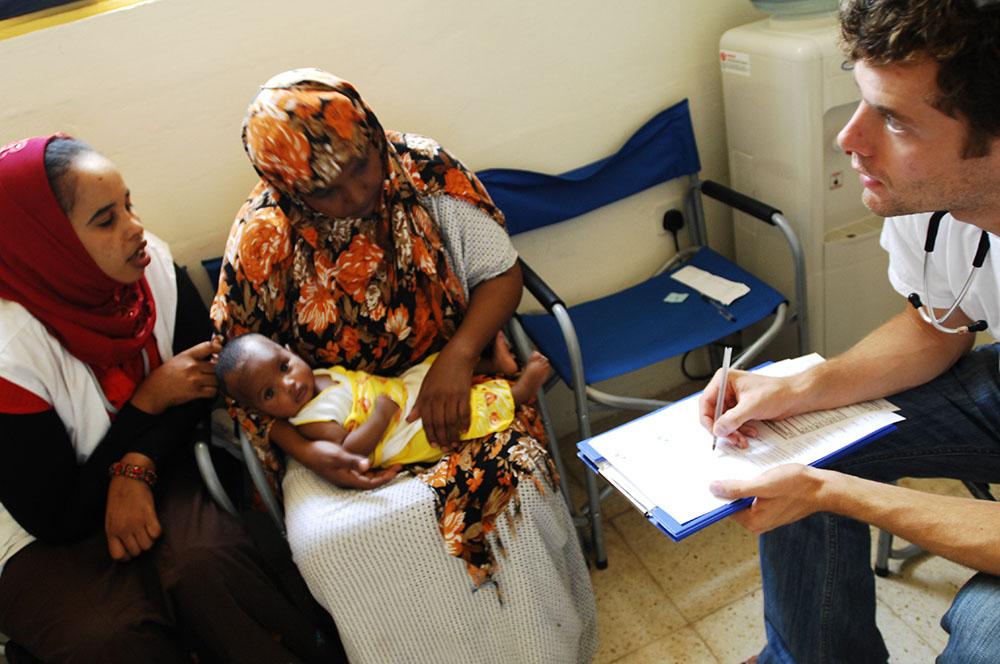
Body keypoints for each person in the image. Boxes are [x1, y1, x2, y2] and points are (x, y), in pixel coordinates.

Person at [210, 69, 595, 662]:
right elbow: (244, 385)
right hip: (332, 424)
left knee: (510, 484)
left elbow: (501, 274)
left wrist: (460, 355)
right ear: (288, 190)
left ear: (368, 128)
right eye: (325, 191)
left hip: (455, 380)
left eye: (361, 165)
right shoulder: (263, 240)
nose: (356, 194)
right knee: (332, 541)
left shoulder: (426, 173)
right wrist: (310, 450)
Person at [697, 1, 1000, 662]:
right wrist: (801, 390)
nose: (850, 139)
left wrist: (831, 492)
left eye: (892, 118)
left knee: (982, 636)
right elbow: (936, 327)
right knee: (798, 445)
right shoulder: (933, 199)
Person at [0, 135, 347, 663]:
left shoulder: (150, 268)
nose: (135, 228)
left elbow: (198, 387)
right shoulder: (10, 353)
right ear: (46, 246)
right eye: (105, 220)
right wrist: (145, 403)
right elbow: (53, 517)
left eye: (129, 205)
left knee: (212, 565)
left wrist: (136, 465)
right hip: (37, 532)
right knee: (105, 638)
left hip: (157, 464)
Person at [216, 332, 551, 468]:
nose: (289, 383)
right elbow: (350, 449)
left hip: (400, 392)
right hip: (401, 433)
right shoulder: (311, 421)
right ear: (260, 410)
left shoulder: (319, 375)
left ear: (289, 351)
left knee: (433, 367)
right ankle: (519, 392)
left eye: (284, 367)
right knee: (465, 412)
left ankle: (494, 364)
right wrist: (380, 415)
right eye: (270, 393)